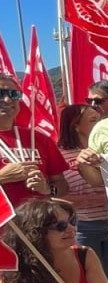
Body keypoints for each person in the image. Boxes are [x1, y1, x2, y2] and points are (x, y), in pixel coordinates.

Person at [57, 105, 108, 283]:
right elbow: (59, 192)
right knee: (86, 274)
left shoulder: (107, 151)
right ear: (76, 126)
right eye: (93, 120)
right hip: (82, 225)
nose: (100, 124)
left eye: (100, 118)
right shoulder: (60, 154)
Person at [0, 74, 69, 208]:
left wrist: (48, 189)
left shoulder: (39, 139)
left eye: (14, 94)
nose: (8, 99)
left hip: (40, 225)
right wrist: (2, 177)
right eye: (1, 93)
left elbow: (63, 185)